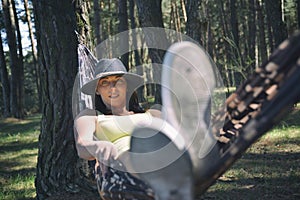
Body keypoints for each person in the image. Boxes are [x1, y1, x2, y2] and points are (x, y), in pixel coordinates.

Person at [74, 58, 160, 199]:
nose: (112, 87)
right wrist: (97, 146)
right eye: (105, 82)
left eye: (118, 81)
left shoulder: (152, 114)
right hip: (119, 169)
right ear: (97, 89)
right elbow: (82, 145)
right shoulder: (91, 116)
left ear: (127, 86)